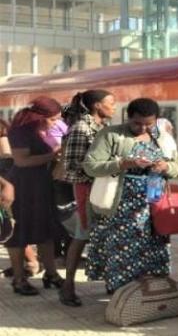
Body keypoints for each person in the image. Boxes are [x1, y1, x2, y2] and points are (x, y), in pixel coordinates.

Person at [83, 98, 178, 294]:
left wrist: (166, 167)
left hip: (153, 204)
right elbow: (90, 166)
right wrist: (123, 164)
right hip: (120, 204)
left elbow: (177, 166)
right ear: (128, 118)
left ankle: (150, 291)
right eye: (137, 123)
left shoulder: (163, 137)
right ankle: (122, 294)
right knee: (122, 249)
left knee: (154, 247)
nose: (143, 128)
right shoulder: (111, 135)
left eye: (149, 124)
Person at [59, 89, 116, 306]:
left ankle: (111, 279)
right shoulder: (81, 128)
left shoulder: (103, 127)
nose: (115, 107)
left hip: (104, 189)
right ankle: (68, 286)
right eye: (111, 103)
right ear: (98, 106)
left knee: (105, 233)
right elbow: (72, 167)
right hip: (87, 189)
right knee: (82, 235)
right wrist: (103, 170)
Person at [4, 97, 64, 296]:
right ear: (40, 116)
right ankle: (19, 279)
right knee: (19, 231)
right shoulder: (21, 131)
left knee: (46, 229)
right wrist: (53, 155)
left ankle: (51, 274)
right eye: (53, 119)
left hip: (42, 183)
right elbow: (21, 161)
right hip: (22, 185)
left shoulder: (46, 128)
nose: (57, 122)